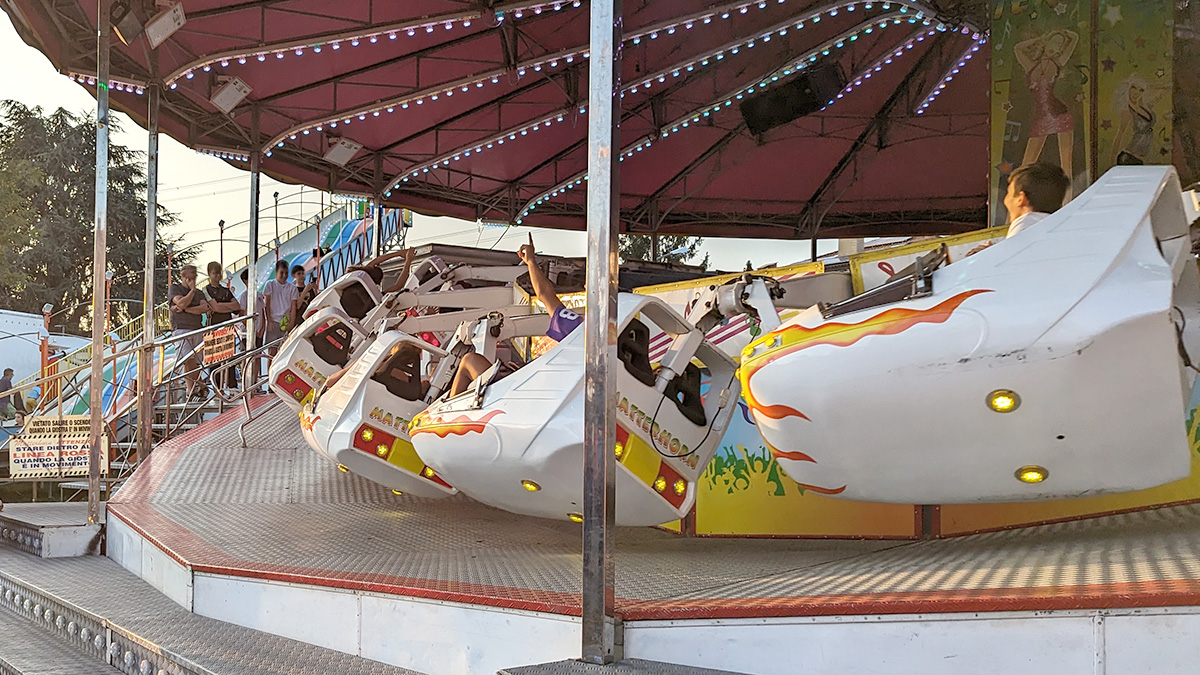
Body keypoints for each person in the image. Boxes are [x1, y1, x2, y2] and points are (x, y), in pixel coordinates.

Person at [449, 240, 582, 396]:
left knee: (470, 360)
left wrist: (531, 261)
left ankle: (444, 418)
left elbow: (545, 294)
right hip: (546, 393)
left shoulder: (579, 329)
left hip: (525, 393)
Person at [1015, 29, 1079, 197]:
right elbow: (1018, 48)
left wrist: (1066, 33)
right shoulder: (1030, 65)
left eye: (1059, 45)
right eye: (1054, 42)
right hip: (1041, 117)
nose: (1056, 48)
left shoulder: (1058, 62)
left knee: (1066, 164)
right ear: (1047, 42)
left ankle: (1067, 205)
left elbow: (1075, 38)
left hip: (1060, 113)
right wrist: (1039, 38)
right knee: (1026, 166)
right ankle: (1011, 215)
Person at [969, 163, 1070, 256]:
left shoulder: (1024, 224)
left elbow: (1014, 264)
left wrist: (987, 257)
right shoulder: (1062, 230)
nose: (1006, 200)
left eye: (1008, 193)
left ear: (1021, 199)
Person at [169, 264, 212, 400]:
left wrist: (186, 308)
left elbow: (204, 307)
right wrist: (191, 292)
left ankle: (192, 390)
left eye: (194, 274)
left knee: (195, 361)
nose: (193, 277)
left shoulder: (200, 293)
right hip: (181, 328)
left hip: (197, 328)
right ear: (183, 276)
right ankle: (200, 385)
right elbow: (180, 303)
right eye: (190, 275)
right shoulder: (175, 289)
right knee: (187, 359)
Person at [204, 262, 242, 390]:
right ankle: (217, 387)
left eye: (219, 273)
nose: (217, 276)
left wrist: (220, 307)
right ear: (209, 274)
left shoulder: (226, 290)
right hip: (212, 328)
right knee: (214, 359)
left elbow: (236, 306)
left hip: (226, 327)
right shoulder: (206, 290)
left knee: (229, 356)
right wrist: (225, 306)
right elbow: (214, 306)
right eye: (214, 273)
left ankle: (232, 385)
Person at [263, 260, 300, 348]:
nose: (284, 275)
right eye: (281, 272)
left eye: (286, 273)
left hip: (286, 322)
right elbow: (266, 305)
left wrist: (291, 323)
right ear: (276, 272)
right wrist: (269, 321)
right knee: (272, 351)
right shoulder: (270, 284)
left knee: (284, 349)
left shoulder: (292, 288)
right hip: (274, 322)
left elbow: (293, 307)